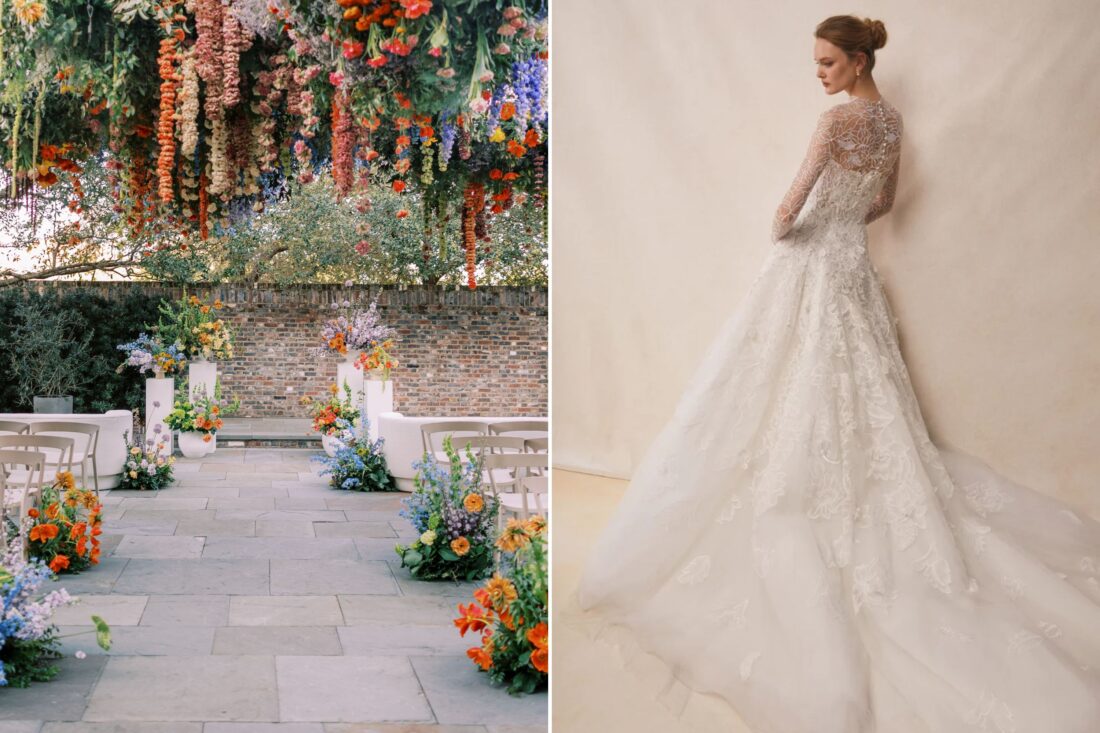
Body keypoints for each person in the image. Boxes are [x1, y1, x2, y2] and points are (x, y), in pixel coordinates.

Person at [573, 14, 1100, 733]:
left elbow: (787, 209)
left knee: (786, 375)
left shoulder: (833, 124)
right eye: (817, 64)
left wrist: (791, 224)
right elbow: (881, 203)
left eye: (827, 63)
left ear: (856, 61)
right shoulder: (893, 122)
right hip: (854, 268)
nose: (818, 74)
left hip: (813, 263)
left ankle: (793, 484)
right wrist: (847, 221)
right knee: (859, 382)